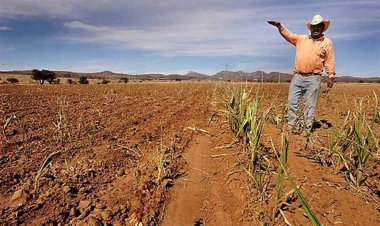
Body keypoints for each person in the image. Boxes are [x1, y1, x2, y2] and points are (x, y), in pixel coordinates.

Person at [268, 15, 335, 133]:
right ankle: (292, 126)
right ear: (310, 28)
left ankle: (307, 128)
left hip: (314, 78)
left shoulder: (327, 43)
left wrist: (330, 75)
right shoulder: (301, 39)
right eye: (313, 26)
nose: (315, 28)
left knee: (310, 105)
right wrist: (279, 26)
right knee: (292, 101)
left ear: (322, 28)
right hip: (297, 76)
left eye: (318, 26)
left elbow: (329, 60)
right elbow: (289, 35)